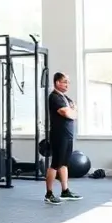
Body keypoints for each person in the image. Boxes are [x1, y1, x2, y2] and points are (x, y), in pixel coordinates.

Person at [44, 72, 82, 204]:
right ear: (57, 83)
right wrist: (72, 112)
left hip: (68, 134)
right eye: (65, 82)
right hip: (59, 135)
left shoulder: (65, 98)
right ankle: (49, 194)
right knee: (55, 164)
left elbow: (75, 111)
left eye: (68, 82)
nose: (67, 84)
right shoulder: (54, 97)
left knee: (64, 163)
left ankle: (65, 191)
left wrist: (73, 112)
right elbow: (66, 113)